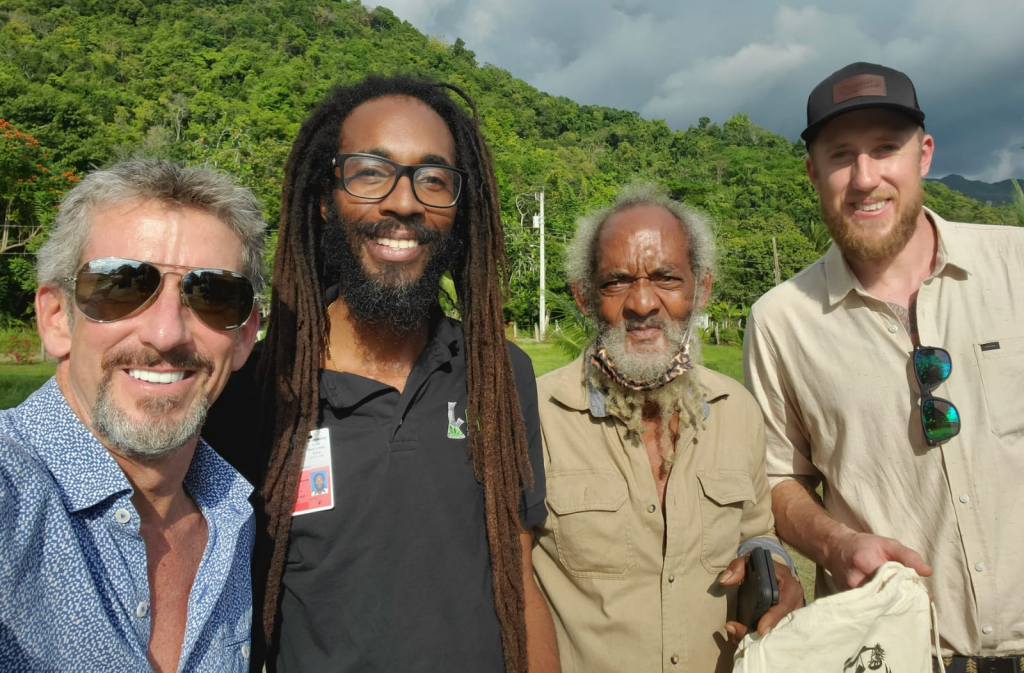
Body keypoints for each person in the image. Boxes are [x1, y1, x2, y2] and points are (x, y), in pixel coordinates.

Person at [205, 75, 558, 672]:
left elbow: (519, 579)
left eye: (434, 178)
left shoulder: (498, 377)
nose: (404, 201)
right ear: (324, 198)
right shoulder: (257, 388)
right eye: (371, 172)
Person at [743, 62, 1024, 671]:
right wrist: (835, 543)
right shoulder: (780, 321)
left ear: (923, 155)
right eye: (842, 155)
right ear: (813, 172)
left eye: (885, 149)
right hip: (898, 655)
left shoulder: (1016, 267)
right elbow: (772, 478)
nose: (865, 178)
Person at [0, 158, 265, 672]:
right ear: (57, 318)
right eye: (121, 285)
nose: (166, 333)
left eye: (212, 296)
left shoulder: (236, 520)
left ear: (243, 338)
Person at [532, 182, 802, 673]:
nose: (641, 303)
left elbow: (756, 529)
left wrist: (773, 566)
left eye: (666, 278)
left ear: (702, 289)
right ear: (584, 296)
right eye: (616, 281)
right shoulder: (537, 414)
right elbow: (507, 575)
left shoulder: (737, 410)